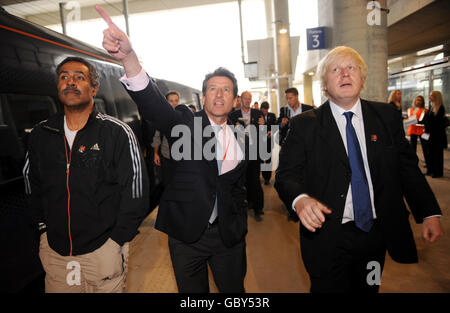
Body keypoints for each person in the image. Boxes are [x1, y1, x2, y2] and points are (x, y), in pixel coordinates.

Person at [97, 5, 249, 292]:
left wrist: (240, 222)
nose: (219, 94)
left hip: (229, 238)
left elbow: (236, 185)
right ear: (203, 97)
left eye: (226, 90)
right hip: (186, 237)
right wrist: (129, 57)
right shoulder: (184, 123)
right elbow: (153, 105)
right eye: (213, 89)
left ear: (234, 99)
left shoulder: (242, 136)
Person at [275, 46, 443, 293]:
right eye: (336, 70)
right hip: (327, 236)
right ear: (324, 85)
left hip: (375, 235)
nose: (344, 74)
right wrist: (300, 200)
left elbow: (407, 168)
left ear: (362, 79)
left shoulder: (386, 116)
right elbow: (286, 174)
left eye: (351, 68)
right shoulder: (304, 126)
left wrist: (429, 212)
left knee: (369, 288)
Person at [23, 56, 149, 292]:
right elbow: (32, 185)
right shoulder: (40, 134)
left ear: (93, 88)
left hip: (103, 251)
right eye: (64, 77)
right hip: (56, 252)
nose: (70, 82)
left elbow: (136, 192)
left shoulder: (117, 133)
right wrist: (43, 230)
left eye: (79, 78)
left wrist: (116, 240)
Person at [229, 91, 265, 221]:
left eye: (249, 99)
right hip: (240, 153)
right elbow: (228, 133)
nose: (248, 101)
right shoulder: (233, 115)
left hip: (254, 151)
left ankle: (258, 208)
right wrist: (235, 128)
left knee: (255, 180)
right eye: (245, 99)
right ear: (240, 100)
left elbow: (263, 133)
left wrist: (263, 126)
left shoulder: (258, 113)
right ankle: (247, 203)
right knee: (243, 180)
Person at [423, 91, 447, 178]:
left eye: (431, 96)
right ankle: (430, 170)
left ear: (436, 97)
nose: (429, 97)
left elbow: (437, 123)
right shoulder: (431, 106)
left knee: (437, 154)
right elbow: (428, 120)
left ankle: (437, 172)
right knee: (430, 153)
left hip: (437, 136)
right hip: (429, 134)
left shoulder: (440, 108)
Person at [406, 95, 429, 165]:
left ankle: (427, 163)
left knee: (425, 148)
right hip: (413, 130)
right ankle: (414, 162)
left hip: (423, 131)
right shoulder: (409, 110)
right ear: (415, 101)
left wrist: (410, 121)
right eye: (417, 100)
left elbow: (423, 121)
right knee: (413, 148)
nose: (418, 101)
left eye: (420, 100)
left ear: (423, 102)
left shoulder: (425, 111)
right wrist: (409, 121)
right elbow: (408, 120)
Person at [259, 101, 277, 185]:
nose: (265, 112)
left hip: (269, 141)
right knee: (261, 160)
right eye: (263, 110)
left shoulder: (272, 116)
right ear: (261, 109)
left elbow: (275, 127)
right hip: (260, 142)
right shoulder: (258, 116)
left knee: (269, 160)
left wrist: (271, 131)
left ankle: (267, 178)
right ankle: (262, 175)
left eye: (266, 110)